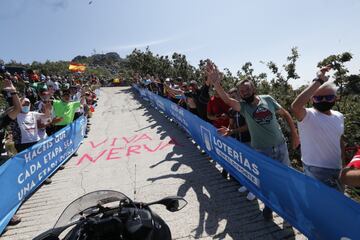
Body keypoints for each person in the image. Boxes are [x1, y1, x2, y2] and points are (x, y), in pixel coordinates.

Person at [206, 60, 300, 220]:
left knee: (286, 179)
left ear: (253, 89)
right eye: (242, 91)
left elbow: (285, 114)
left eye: (247, 89)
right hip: (261, 151)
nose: (244, 92)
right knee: (266, 181)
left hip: (281, 145)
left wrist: (294, 134)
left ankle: (288, 210)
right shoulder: (243, 107)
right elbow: (228, 100)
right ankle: (269, 206)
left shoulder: (268, 99)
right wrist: (216, 83)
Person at [292, 65, 345, 190]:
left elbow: (340, 140)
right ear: (312, 99)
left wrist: (343, 164)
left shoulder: (339, 116)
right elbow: (295, 107)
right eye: (318, 98)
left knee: (337, 203)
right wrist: (319, 80)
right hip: (316, 170)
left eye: (329, 97)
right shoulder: (308, 115)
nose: (324, 100)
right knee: (320, 205)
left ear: (336, 98)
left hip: (337, 168)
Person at [217, 88, 254, 201]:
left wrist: (232, 131)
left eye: (235, 95)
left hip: (250, 141)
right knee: (244, 165)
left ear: (239, 95)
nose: (234, 97)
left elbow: (248, 126)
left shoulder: (247, 107)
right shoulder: (232, 110)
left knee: (252, 166)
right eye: (231, 96)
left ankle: (254, 190)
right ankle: (247, 185)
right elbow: (231, 124)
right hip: (238, 141)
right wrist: (227, 130)